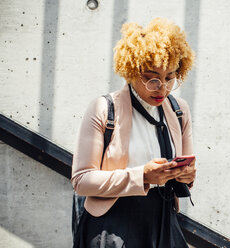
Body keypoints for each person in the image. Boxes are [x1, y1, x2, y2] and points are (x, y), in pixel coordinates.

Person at [71, 17, 196, 248]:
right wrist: (142, 176)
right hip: (113, 224)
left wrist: (186, 176)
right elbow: (81, 181)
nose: (162, 88)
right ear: (130, 70)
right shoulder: (103, 108)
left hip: (164, 221)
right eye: (151, 79)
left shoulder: (179, 110)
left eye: (170, 77)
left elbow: (186, 173)